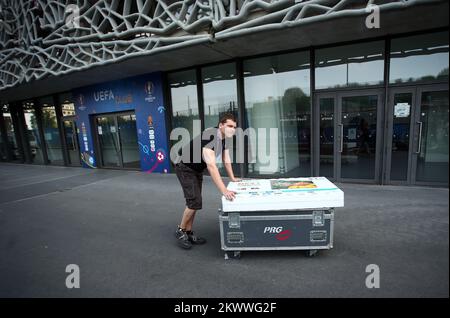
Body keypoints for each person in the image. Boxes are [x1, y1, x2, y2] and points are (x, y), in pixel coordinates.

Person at [174, 113, 240, 249]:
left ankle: (189, 231)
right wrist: (224, 190)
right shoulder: (210, 135)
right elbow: (211, 166)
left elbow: (226, 160)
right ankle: (180, 231)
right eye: (229, 126)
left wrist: (232, 178)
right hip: (185, 167)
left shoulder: (224, 139)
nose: (232, 129)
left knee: (195, 203)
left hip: (196, 169)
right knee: (194, 202)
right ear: (221, 125)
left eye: (234, 127)